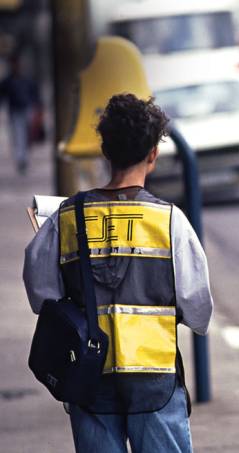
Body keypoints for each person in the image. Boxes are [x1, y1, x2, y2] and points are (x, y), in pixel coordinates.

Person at [23, 94, 213, 453]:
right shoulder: (169, 220)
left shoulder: (66, 217)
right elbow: (199, 310)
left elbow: (41, 296)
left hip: (88, 375)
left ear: (105, 152)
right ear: (153, 155)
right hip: (155, 377)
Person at [0, 54, 41, 174]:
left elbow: (35, 96)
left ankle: (24, 157)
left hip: (28, 110)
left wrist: (38, 109)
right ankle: (21, 159)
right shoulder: (7, 81)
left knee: (27, 136)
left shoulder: (27, 80)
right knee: (18, 136)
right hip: (15, 112)